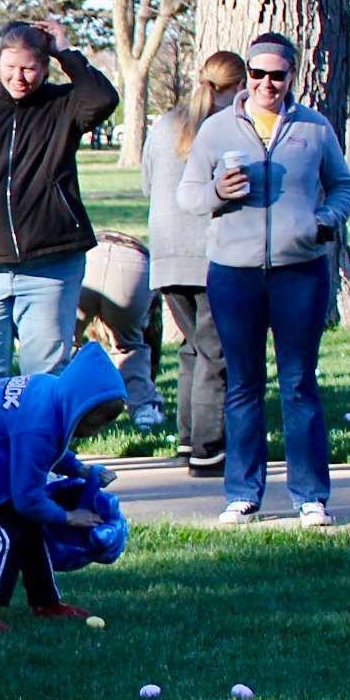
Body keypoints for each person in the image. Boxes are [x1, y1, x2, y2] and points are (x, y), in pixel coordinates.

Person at [178, 31, 350, 527]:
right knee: (243, 385)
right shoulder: (217, 130)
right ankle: (242, 493)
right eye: (258, 74)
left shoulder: (314, 129)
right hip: (234, 274)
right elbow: (188, 195)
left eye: (277, 75)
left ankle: (310, 496)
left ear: (291, 77)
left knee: (299, 383)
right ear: (247, 76)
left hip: (300, 271)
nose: (267, 84)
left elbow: (343, 184)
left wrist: (324, 220)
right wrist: (217, 191)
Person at [0, 20, 118, 384]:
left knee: (44, 375)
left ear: (44, 67)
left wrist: (65, 51)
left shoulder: (64, 105)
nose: (19, 78)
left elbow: (104, 100)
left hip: (50, 263)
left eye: (29, 68)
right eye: (9, 69)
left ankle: (42, 443)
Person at [0, 339, 123, 629]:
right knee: (10, 535)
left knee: (29, 528)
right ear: (78, 405)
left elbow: (45, 451)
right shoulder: (39, 426)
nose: (95, 432)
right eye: (94, 423)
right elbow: (27, 498)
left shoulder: (51, 392)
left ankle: (46, 602)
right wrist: (69, 517)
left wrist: (81, 469)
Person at [144, 51, 241, 476]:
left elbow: (149, 181)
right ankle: (208, 448)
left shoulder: (164, 125)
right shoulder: (228, 129)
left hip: (167, 253)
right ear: (237, 86)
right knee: (215, 353)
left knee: (192, 349)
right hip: (211, 252)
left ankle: (187, 439)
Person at [76, 233, 165, 427]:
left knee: (65, 342)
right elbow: (152, 334)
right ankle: (144, 410)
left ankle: (66, 408)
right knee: (129, 344)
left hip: (90, 256)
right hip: (134, 263)